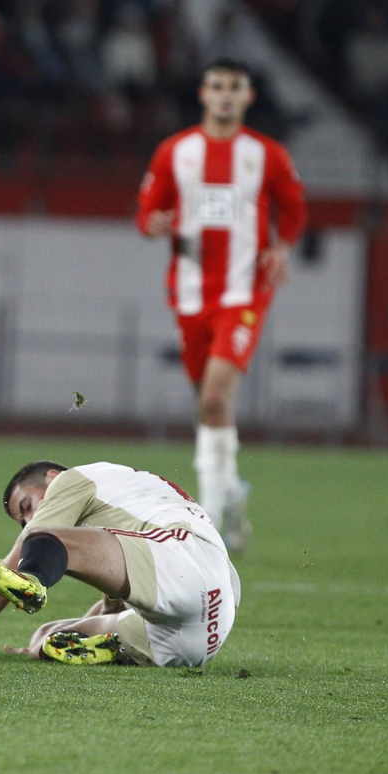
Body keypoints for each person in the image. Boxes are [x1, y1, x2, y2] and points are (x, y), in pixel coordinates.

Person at [135, 59, 307, 554]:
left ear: (248, 96)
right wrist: (154, 223)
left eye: (234, 87)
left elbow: (294, 208)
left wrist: (282, 247)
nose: (225, 95)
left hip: (244, 291)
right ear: (203, 94)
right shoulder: (176, 151)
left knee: (213, 399)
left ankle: (205, 523)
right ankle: (231, 490)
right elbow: (146, 211)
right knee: (208, 402)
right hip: (190, 294)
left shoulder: (266, 154)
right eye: (217, 86)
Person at [0, 459, 240, 668]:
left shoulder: (72, 480)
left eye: (28, 505)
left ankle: (33, 581)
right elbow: (113, 605)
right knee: (47, 637)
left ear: (52, 477)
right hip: (202, 635)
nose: (29, 519)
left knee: (41, 539)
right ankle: (106, 648)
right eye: (23, 519)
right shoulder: (124, 500)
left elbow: (13, 561)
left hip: (184, 558)